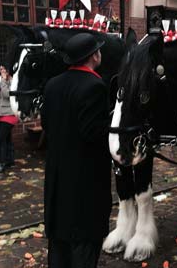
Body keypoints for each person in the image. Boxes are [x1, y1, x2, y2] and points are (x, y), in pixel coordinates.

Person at [41, 32, 112, 268]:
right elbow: (93, 135)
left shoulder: (52, 85)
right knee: (83, 252)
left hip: (57, 184)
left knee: (58, 252)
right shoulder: (94, 86)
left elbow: (47, 126)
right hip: (84, 190)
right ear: (94, 56)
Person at [0, 65, 18, 173]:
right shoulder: (1, 82)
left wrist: (3, 81)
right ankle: (10, 160)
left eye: (4, 69)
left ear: (8, 70)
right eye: (1, 69)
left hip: (9, 114)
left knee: (0, 139)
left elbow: (6, 94)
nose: (3, 71)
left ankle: (2, 163)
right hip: (1, 114)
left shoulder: (12, 81)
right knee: (6, 139)